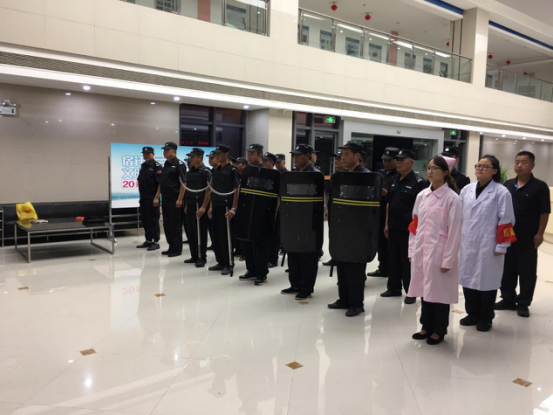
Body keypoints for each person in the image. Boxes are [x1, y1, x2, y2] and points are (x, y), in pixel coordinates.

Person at [409, 156, 463, 345]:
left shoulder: (453, 199)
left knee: (440, 293)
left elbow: (455, 232)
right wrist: (411, 249)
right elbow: (414, 225)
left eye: (435, 168)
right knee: (425, 290)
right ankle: (426, 326)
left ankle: (439, 330)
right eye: (429, 168)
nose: (430, 172)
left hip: (439, 252)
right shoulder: (422, 196)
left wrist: (448, 259)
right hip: (422, 250)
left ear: (446, 172)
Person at [459, 155, 516, 332]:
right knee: (468, 279)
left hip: (489, 245)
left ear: (494, 171)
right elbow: (458, 216)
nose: (480, 168)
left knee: (487, 282)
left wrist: (502, 245)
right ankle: (472, 313)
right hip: (467, 243)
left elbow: (506, 220)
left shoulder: (501, 192)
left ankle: (485, 317)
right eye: (478, 165)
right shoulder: (466, 190)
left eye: (485, 166)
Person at [495, 151, 550, 318]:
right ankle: (508, 299)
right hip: (507, 234)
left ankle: (523, 302)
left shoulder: (540, 186)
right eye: (517, 161)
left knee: (527, 271)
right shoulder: (508, 184)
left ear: (532, 165)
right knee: (507, 268)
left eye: (524, 162)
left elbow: (544, 212)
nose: (519, 165)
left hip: (528, 236)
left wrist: (540, 234)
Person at [327, 141, 370, 317]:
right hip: (342, 227)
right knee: (342, 264)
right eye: (342, 154)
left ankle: (356, 304)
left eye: (346, 154)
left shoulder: (365, 176)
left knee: (355, 268)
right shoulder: (340, 176)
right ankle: (343, 299)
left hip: (358, 230)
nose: (342, 158)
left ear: (357, 156)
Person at [380, 149, 427, 304]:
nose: (398, 162)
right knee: (393, 259)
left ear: (411, 163)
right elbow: (389, 203)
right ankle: (393, 288)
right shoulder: (394, 180)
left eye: (402, 160)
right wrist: (387, 223)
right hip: (393, 227)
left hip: (409, 230)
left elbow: (422, 209)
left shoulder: (419, 182)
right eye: (397, 160)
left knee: (408, 262)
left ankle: (411, 292)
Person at [281, 144, 322, 300]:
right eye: (294, 155)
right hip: (294, 219)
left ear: (308, 156)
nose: (295, 158)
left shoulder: (315, 174)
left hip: (309, 221)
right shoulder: (294, 174)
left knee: (307, 255)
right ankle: (295, 284)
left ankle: (306, 287)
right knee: (293, 253)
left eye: (299, 155)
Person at [240, 143, 272, 286]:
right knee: (247, 242)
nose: (249, 156)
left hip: (261, 212)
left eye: (252, 153)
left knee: (259, 244)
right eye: (248, 153)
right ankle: (251, 269)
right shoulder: (247, 170)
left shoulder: (266, 171)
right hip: (248, 211)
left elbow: (272, 194)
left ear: (260, 155)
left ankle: (261, 273)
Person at [208, 144, 240, 276]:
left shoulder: (232, 170)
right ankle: (220, 261)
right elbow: (212, 190)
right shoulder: (215, 170)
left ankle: (228, 263)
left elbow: (236, 190)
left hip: (227, 207)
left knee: (225, 236)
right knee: (216, 236)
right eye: (216, 154)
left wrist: (234, 208)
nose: (217, 156)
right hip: (216, 205)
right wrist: (210, 206)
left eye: (219, 153)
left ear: (226, 154)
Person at [368, 147, 399, 277]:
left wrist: (386, 193)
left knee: (390, 244)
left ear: (396, 160)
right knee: (379, 242)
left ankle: (392, 270)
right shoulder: (379, 174)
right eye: (384, 160)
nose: (386, 163)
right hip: (377, 212)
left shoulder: (398, 176)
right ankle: (383, 268)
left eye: (389, 160)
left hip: (391, 213)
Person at [155, 142, 186, 257]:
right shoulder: (166, 164)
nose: (165, 152)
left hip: (175, 199)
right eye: (164, 150)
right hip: (166, 199)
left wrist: (180, 199)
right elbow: (162, 182)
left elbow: (183, 183)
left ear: (174, 151)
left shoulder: (179, 164)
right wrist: (157, 196)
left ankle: (177, 249)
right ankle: (171, 246)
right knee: (167, 225)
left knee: (175, 225)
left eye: (167, 150)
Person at [182, 148, 212, 267]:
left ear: (200, 157)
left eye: (193, 157)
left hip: (200, 205)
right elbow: (188, 189)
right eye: (190, 157)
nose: (191, 159)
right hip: (190, 204)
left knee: (200, 232)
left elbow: (208, 190)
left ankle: (201, 257)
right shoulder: (190, 172)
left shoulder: (206, 171)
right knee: (191, 232)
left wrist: (204, 206)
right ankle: (194, 255)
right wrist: (186, 204)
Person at [137, 147, 162, 251]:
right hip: (143, 198)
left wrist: (157, 197)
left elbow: (160, 183)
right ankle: (148, 240)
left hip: (152, 198)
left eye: (148, 153)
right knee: (145, 220)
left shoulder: (157, 166)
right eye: (144, 154)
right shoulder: (143, 165)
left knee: (153, 220)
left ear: (153, 154)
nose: (145, 155)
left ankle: (156, 241)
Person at [323, 150, 344, 267]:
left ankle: (341, 257)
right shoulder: (334, 176)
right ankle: (334, 257)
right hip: (333, 210)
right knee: (333, 235)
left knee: (342, 235)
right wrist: (327, 209)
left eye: (339, 159)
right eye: (335, 159)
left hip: (343, 211)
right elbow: (330, 194)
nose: (336, 161)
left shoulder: (348, 175)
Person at [263, 152, 280, 268]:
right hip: (264, 209)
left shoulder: (276, 175)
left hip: (273, 209)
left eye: (266, 161)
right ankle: (266, 257)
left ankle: (273, 259)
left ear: (271, 163)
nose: (263, 163)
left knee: (273, 237)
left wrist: (275, 210)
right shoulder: (263, 174)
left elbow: (279, 195)